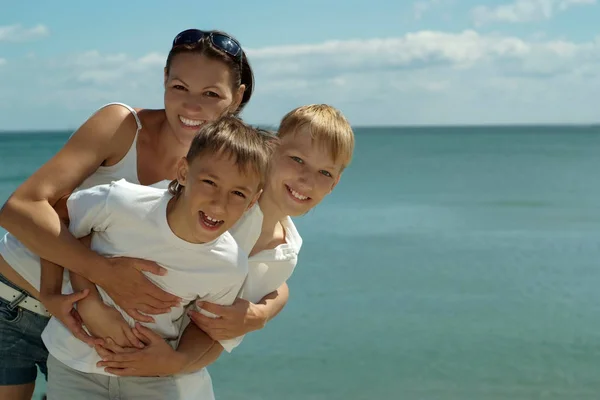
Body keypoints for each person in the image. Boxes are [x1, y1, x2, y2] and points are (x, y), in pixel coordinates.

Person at [0, 28, 289, 400]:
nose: (191, 107)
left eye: (211, 94)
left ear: (237, 98)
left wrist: (263, 314)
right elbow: (19, 209)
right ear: (164, 82)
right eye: (179, 88)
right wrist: (101, 275)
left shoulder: (229, 176)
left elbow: (270, 260)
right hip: (18, 308)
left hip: (102, 343)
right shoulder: (121, 127)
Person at [92, 104, 356, 399]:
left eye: (324, 172)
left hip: (173, 377)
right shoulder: (212, 202)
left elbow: (220, 329)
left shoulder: (286, 254)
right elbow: (107, 223)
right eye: (297, 159)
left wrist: (175, 363)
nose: (307, 179)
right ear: (271, 150)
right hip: (97, 351)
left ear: (335, 183)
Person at [40, 116, 274, 399]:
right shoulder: (122, 202)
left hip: (151, 376)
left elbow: (207, 327)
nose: (219, 202)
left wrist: (175, 361)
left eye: (238, 193)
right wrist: (63, 295)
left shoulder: (228, 265)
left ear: (252, 201)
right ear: (184, 173)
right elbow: (57, 217)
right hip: (73, 362)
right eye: (210, 182)